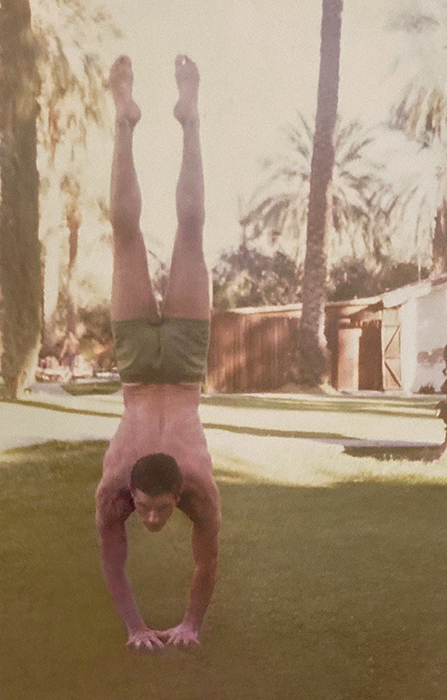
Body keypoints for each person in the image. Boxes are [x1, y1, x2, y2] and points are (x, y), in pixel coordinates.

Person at [95, 55, 221, 651]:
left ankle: (164, 116)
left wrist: (188, 626)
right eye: (149, 511)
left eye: (153, 511)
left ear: (177, 496)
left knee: (132, 234)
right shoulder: (195, 487)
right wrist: (137, 628)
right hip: (188, 364)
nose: (148, 521)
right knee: (188, 228)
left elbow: (203, 563)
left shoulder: (129, 485)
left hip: (139, 369)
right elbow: (116, 562)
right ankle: (152, 117)